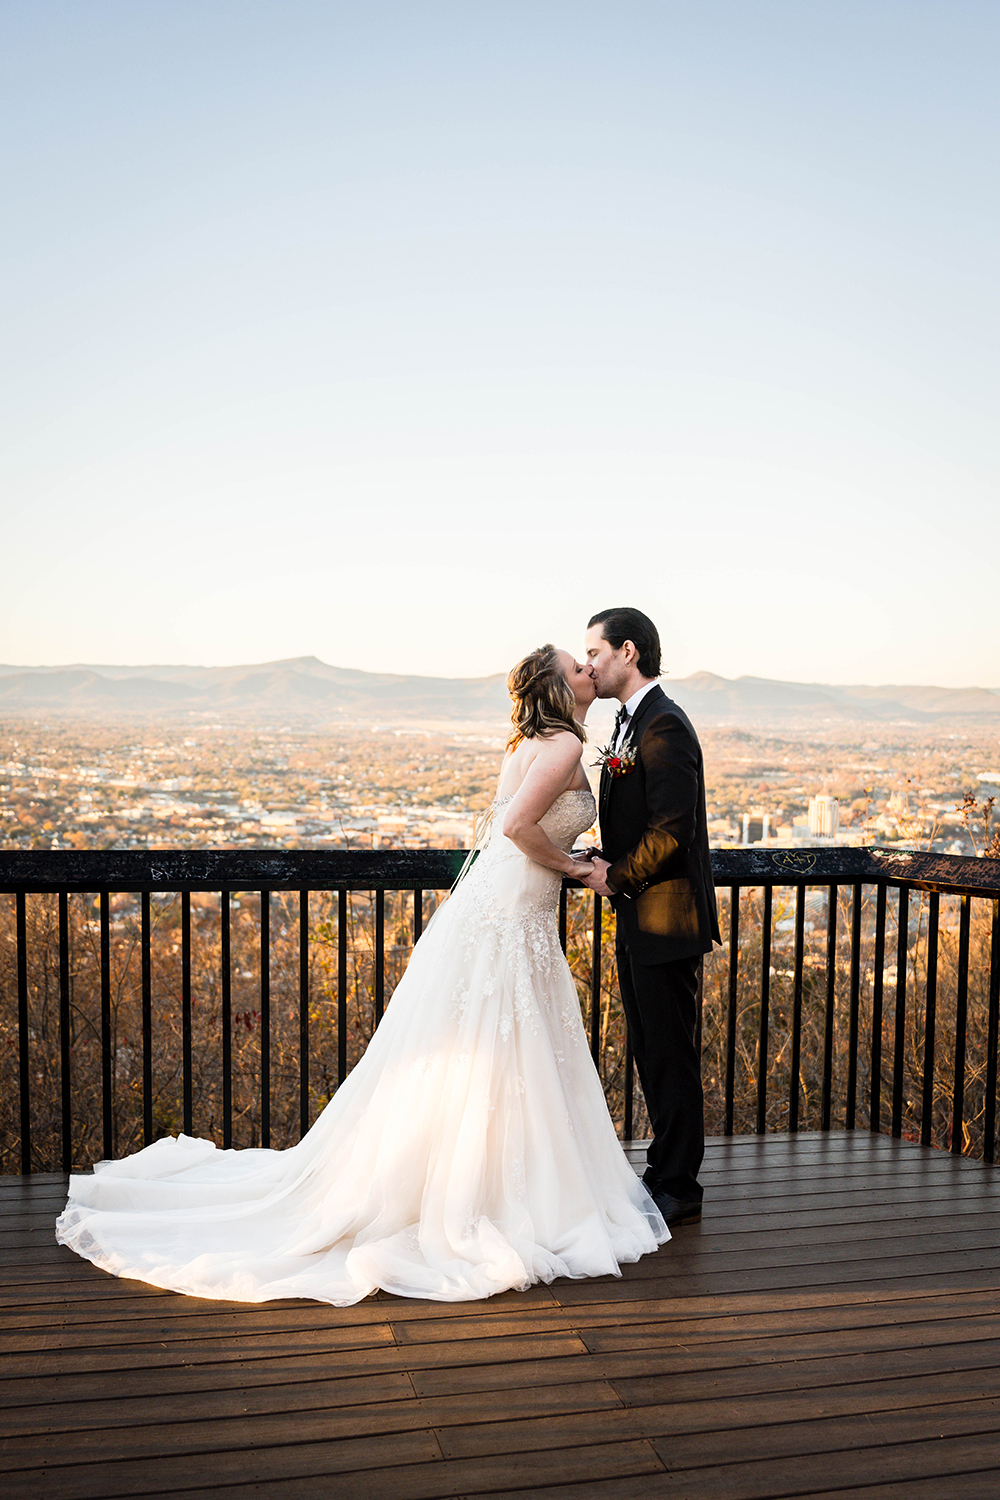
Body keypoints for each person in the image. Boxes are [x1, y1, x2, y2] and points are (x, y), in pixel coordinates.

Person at [56, 644, 668, 1306]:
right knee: (502, 1050)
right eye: (577, 665)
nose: (588, 670)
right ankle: (494, 1194)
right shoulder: (558, 751)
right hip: (511, 911)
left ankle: (481, 1181)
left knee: (492, 1052)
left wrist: (567, 855)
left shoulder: (529, 744)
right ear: (556, 687)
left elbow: (514, 826)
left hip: (503, 905)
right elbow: (519, 826)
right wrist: (578, 868)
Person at [580, 608, 720, 1228]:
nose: (588, 665)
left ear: (628, 652)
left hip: (664, 919)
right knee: (650, 1048)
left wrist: (615, 876)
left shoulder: (663, 726)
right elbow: (642, 825)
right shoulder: (632, 725)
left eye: (595, 652)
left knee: (670, 1052)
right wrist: (602, 856)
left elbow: (671, 832)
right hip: (642, 919)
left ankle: (679, 1186)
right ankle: (664, 1168)